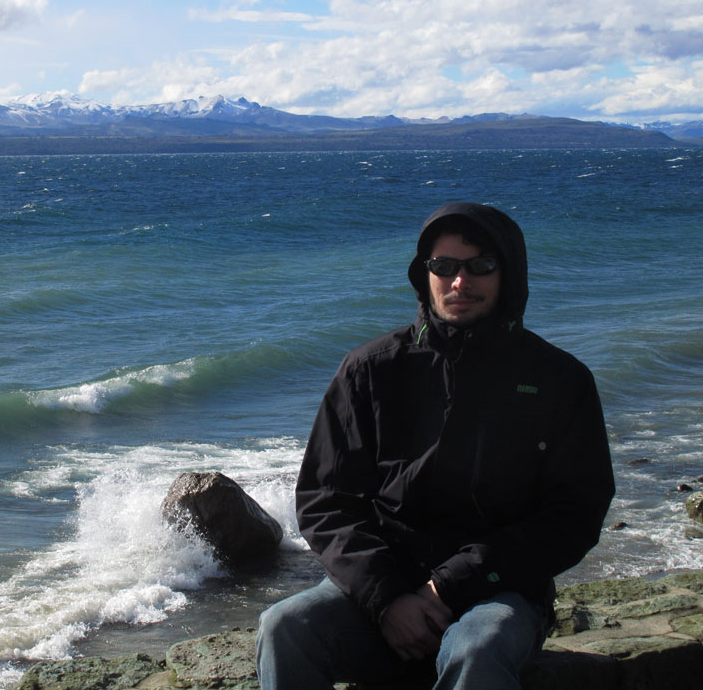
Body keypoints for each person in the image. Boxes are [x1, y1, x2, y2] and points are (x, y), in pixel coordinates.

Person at [256, 202, 614, 690]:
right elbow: (326, 500)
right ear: (423, 274)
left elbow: (575, 514)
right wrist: (386, 599)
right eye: (443, 267)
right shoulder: (371, 369)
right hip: (384, 583)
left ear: (509, 273)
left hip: (500, 589)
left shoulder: (559, 379)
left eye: (480, 266)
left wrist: (449, 584)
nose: (459, 283)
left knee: (478, 649)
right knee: (285, 627)